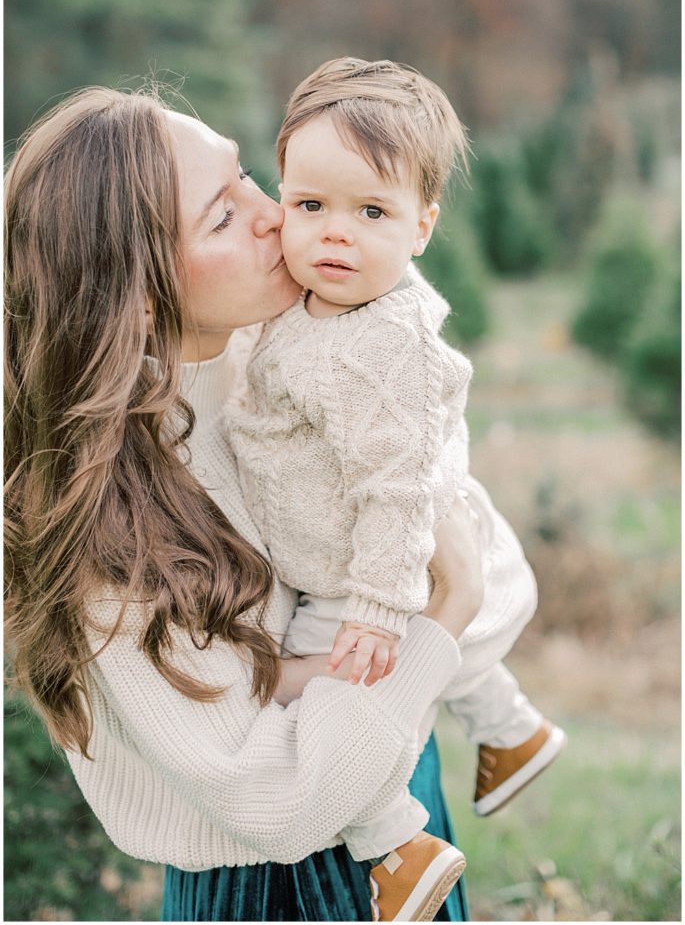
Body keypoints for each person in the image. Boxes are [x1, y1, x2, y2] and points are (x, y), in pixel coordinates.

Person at [4, 85, 485, 923]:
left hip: (399, 792)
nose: (272, 215)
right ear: (141, 294)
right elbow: (272, 795)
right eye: (221, 216)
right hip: (279, 884)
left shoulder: (269, 360)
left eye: (248, 178)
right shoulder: (102, 521)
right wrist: (448, 606)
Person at [227, 58, 567, 921]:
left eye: (370, 213)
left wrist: (378, 606)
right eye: (310, 207)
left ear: (423, 224)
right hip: (342, 554)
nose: (334, 235)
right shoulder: (308, 302)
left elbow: (397, 489)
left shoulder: (384, 347)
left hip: (362, 574)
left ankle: (391, 844)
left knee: (322, 701)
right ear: (281, 197)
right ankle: (509, 728)